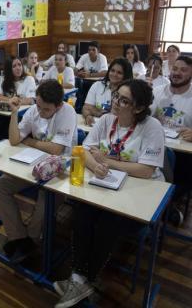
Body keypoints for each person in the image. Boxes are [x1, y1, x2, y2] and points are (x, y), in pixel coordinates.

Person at [54, 79, 165, 308]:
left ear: (138, 108)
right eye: (116, 96)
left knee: (108, 220)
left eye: (124, 100)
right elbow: (84, 151)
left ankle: (84, 278)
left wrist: (107, 161)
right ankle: (79, 279)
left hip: (139, 191)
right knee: (83, 211)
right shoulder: (106, 119)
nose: (115, 102)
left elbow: (145, 170)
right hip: (106, 184)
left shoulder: (151, 127)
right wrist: (95, 166)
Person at [0, 80, 77, 264]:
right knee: (0, 186)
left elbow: (56, 150)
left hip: (61, 170)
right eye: (38, 106)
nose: (40, 112)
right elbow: (14, 140)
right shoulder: (34, 109)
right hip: (32, 165)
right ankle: (19, 237)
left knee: (46, 197)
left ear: (59, 105)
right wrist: (14, 113)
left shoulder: (67, 112)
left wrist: (30, 141)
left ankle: (31, 239)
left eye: (46, 109)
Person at [151, 56, 192, 225]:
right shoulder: (158, 90)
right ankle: (164, 207)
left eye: (183, 70)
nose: (177, 73)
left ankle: (166, 204)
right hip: (157, 147)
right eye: (175, 69)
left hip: (183, 153)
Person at [82, 58, 132, 126]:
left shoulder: (129, 92)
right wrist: (88, 116)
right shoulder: (97, 85)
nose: (114, 74)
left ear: (126, 75)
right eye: (112, 70)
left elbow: (123, 115)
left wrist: (96, 110)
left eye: (119, 73)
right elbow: (86, 108)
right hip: (96, 125)